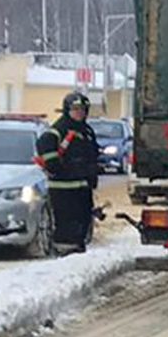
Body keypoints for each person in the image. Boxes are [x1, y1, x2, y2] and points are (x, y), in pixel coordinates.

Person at [35, 91, 102, 254]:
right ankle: (64, 253)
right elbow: (45, 146)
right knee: (66, 223)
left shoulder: (86, 131)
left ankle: (77, 250)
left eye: (83, 109)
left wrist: (92, 173)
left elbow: (92, 155)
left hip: (82, 187)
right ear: (67, 110)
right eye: (75, 109)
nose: (79, 113)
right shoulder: (58, 130)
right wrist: (57, 167)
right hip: (63, 188)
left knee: (83, 220)